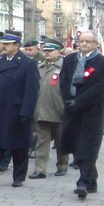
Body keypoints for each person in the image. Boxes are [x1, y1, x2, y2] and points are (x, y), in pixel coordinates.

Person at [0, 29, 39, 188]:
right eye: (3, 43)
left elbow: (31, 90)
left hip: (16, 110)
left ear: (16, 45)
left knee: (18, 146)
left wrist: (27, 112)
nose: (3, 47)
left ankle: (18, 177)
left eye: (7, 44)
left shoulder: (28, 64)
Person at [60, 30, 104, 199]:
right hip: (72, 109)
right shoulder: (70, 60)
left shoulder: (102, 62)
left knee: (87, 146)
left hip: (92, 111)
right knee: (76, 144)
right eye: (81, 41)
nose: (83, 44)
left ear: (96, 44)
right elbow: (64, 81)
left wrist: (80, 102)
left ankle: (83, 182)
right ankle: (91, 179)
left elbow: (99, 88)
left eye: (88, 42)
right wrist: (68, 100)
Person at [28, 39, 69, 179]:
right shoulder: (39, 67)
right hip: (40, 109)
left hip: (59, 109)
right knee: (41, 141)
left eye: (50, 51)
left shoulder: (65, 67)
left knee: (61, 140)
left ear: (59, 52)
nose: (47, 53)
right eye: (45, 51)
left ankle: (62, 165)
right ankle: (40, 169)